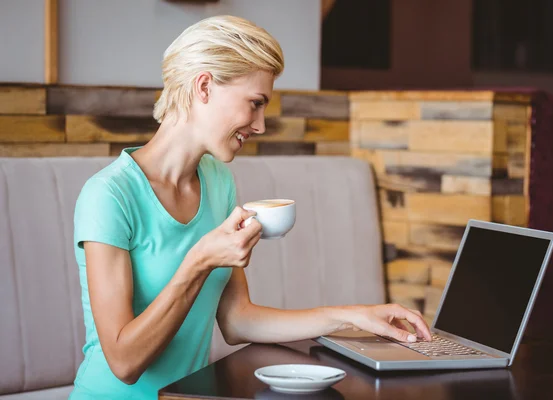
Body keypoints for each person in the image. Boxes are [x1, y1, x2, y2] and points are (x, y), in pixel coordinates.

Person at [69, 15, 431, 399]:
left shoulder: (217, 180)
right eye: (254, 104)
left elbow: (238, 319)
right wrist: (199, 262)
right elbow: (124, 362)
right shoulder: (109, 196)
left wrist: (352, 317)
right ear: (204, 86)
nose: (259, 125)